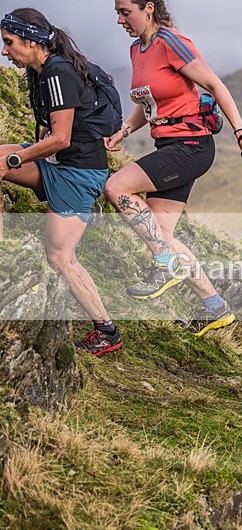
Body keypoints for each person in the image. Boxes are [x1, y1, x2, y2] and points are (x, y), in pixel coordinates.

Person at [105, 0, 242, 335]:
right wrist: (123, 131)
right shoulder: (137, 50)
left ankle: (163, 268)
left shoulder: (171, 43)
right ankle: (215, 308)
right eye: (116, 12)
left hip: (191, 146)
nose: (120, 19)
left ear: (148, 8)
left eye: (125, 12)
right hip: (169, 145)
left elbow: (216, 86)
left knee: (116, 187)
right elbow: (149, 104)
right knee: (162, 235)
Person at [0, 8, 122, 356]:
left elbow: (61, 138)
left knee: (60, 257)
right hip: (57, 164)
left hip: (79, 173)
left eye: (9, 43)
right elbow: (47, 128)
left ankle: (107, 330)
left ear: (31, 40)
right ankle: (4, 253)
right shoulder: (38, 73)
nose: (5, 52)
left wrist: (17, 158)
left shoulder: (57, 71)